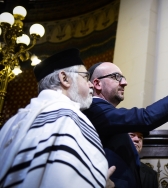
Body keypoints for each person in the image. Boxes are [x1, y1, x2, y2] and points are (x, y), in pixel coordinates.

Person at [83, 62, 168, 188]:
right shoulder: (94, 109)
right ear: (97, 84)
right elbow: (146, 117)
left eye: (123, 77)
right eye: (116, 77)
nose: (124, 82)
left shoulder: (103, 113)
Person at [0, 48, 114, 188]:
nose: (90, 84)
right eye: (85, 77)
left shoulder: (11, 123)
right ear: (64, 78)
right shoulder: (69, 117)